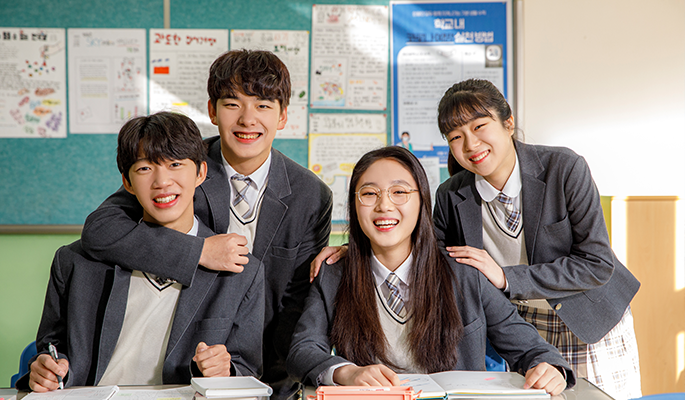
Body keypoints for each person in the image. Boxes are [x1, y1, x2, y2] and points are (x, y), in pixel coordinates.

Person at [80, 50, 332, 399]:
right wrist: (198, 251)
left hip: (268, 370)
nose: (247, 119)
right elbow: (100, 230)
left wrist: (276, 380)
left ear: (283, 115)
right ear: (212, 111)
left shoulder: (311, 194)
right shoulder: (180, 167)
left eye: (262, 105)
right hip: (185, 364)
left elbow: (297, 302)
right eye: (232, 104)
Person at [288, 146, 574, 396]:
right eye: (369, 193)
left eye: (399, 192)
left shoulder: (464, 274)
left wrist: (549, 368)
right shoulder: (334, 274)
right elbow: (302, 349)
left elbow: (532, 348)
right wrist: (347, 373)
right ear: (354, 204)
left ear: (422, 202)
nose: (384, 205)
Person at [17, 112, 264, 392]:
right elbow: (51, 349)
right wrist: (46, 370)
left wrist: (225, 370)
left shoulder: (240, 273)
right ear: (127, 183)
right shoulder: (74, 263)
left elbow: (247, 369)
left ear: (200, 173)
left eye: (175, 164)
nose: (162, 182)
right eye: (145, 168)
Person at [433, 79, 641, 399]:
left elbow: (597, 265)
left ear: (508, 122)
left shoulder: (563, 168)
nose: (471, 144)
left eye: (479, 126)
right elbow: (433, 262)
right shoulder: (450, 195)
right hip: (522, 332)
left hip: (589, 320)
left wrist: (506, 277)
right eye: (456, 137)